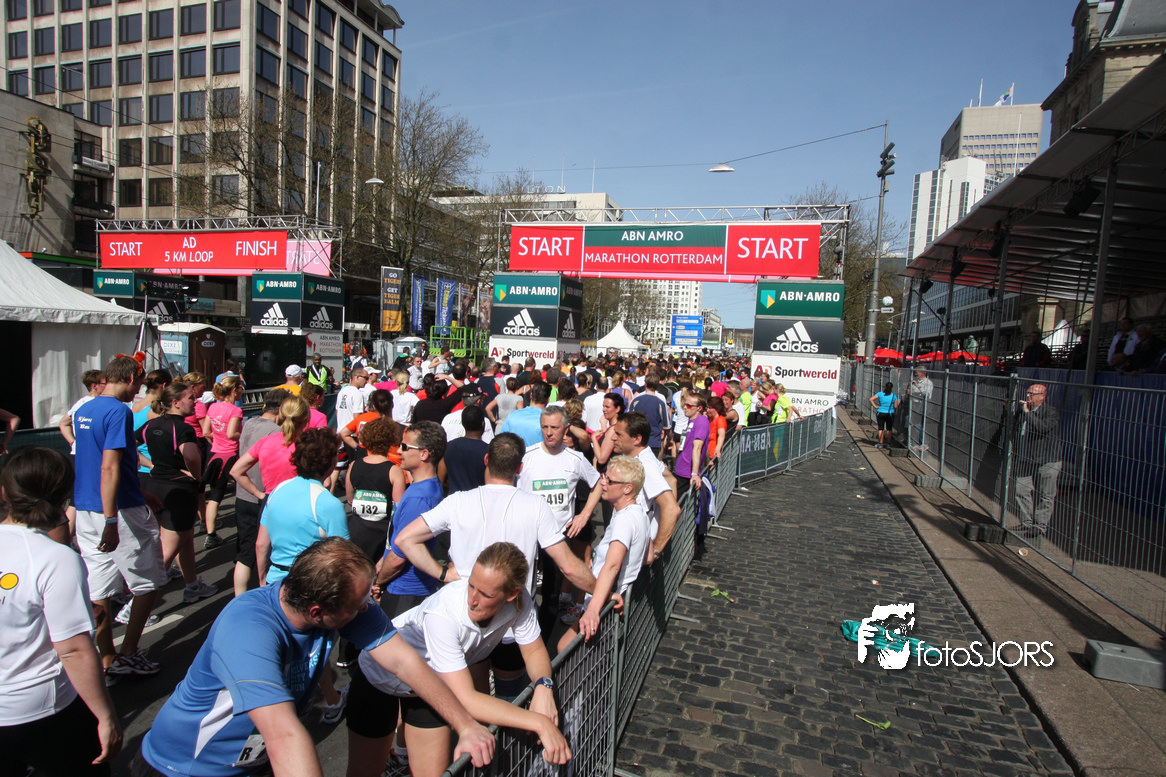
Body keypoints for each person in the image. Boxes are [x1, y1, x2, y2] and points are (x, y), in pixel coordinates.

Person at [134, 538, 495, 777]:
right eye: (359, 604)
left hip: (252, 761)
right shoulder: (248, 630)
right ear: (319, 612)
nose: (369, 604)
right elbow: (284, 734)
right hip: (184, 766)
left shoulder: (345, 604)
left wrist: (465, 725)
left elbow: (405, 662)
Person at [348, 543, 570, 777]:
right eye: (471, 585)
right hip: (378, 678)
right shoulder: (443, 615)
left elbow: (533, 650)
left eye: (485, 594)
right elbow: (466, 699)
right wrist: (539, 723)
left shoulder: (520, 600)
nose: (472, 599)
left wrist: (544, 687)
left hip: (430, 687)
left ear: (512, 594)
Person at [0, 447, 123, 777]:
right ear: (64, 495)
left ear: (5, 492)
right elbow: (73, 650)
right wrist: (105, 716)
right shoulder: (55, 558)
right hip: (42, 710)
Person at [73, 354, 167, 678]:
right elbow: (110, 467)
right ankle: (128, 652)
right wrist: (112, 519)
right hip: (118, 510)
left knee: (98, 587)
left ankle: (107, 658)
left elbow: (103, 461)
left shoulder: (84, 409)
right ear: (129, 379)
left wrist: (139, 491)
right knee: (147, 583)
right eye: (138, 383)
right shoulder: (118, 411)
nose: (138, 390)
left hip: (86, 508)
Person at [138, 381, 218, 606]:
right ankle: (134, 604)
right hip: (178, 490)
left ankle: (192, 585)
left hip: (155, 485)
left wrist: (152, 465)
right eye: (191, 398)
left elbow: (129, 446)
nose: (195, 401)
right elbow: (191, 456)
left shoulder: (151, 424)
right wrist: (197, 476)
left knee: (185, 539)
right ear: (176, 402)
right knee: (168, 550)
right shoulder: (183, 429)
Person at [558, 455, 649, 651]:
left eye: (610, 481)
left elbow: (613, 565)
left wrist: (593, 610)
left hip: (603, 607)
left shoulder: (624, 519)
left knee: (564, 650)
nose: (603, 483)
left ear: (627, 488)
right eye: (604, 477)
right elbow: (648, 555)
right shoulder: (638, 513)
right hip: (608, 602)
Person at [375, 421, 446, 617]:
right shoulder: (426, 487)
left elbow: (398, 558)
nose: (399, 451)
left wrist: (379, 582)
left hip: (404, 592)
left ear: (424, 454)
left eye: (405, 447)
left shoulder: (419, 499)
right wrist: (383, 559)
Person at [230, 389, 287, 596]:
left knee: (245, 553)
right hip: (262, 494)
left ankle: (239, 598)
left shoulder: (250, 423)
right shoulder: (276, 432)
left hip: (242, 493)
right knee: (266, 550)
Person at [608, 412, 681, 566]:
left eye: (619, 434)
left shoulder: (644, 465)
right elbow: (671, 480)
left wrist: (656, 550)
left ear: (637, 439)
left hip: (635, 553)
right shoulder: (644, 457)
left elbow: (672, 508)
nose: (613, 438)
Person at [345, 418, 406, 564]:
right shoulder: (394, 471)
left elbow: (350, 499)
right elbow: (398, 508)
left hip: (357, 530)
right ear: (391, 440)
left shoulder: (353, 465)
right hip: (382, 533)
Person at [230, 395, 312, 502]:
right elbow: (325, 482)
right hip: (300, 502)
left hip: (271, 502)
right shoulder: (308, 446)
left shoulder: (265, 441)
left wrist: (259, 495)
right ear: (306, 419)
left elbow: (236, 471)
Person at [1013, 384, 1062, 537]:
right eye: (1028, 393)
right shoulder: (1023, 411)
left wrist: (1028, 413)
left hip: (1047, 459)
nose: (1028, 396)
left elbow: (1042, 428)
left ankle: (1039, 526)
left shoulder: (1050, 412)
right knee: (1021, 489)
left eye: (1032, 394)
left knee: (1046, 494)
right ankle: (1026, 522)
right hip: (1026, 457)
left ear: (1042, 397)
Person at [203, 375, 245, 550]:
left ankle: (210, 534)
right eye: (241, 388)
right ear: (234, 390)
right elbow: (231, 433)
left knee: (215, 495)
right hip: (232, 454)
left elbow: (206, 431)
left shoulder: (213, 407)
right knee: (245, 491)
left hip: (215, 454)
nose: (242, 391)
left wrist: (216, 441)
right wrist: (246, 434)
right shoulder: (235, 410)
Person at [439, 405, 489, 494]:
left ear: (463, 424)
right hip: (479, 499)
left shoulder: (448, 447)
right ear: (483, 424)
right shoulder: (489, 451)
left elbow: (440, 481)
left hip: (454, 499)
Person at [626, 372, 671, 458]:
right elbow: (666, 425)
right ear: (657, 385)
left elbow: (628, 420)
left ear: (645, 384)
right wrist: (669, 437)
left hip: (637, 440)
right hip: (654, 441)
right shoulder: (660, 402)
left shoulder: (636, 400)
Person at [673, 393, 708, 503]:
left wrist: (694, 473)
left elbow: (698, 447)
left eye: (688, 405)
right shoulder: (691, 421)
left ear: (699, 408)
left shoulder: (701, 421)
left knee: (680, 505)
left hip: (687, 472)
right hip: (681, 469)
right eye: (684, 404)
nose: (684, 407)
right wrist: (708, 460)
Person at [499, 381, 550, 446]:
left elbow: (501, 440)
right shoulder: (548, 421)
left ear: (531, 395)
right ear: (548, 399)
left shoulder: (513, 415)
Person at [336, 368, 371, 433]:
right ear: (357, 377)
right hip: (351, 433)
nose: (367, 381)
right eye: (366, 378)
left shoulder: (342, 392)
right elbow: (357, 418)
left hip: (340, 432)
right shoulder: (357, 393)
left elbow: (337, 411)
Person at [908, 370, 933, 453]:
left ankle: (924, 443)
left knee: (919, 424)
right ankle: (918, 442)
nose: (916, 374)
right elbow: (912, 390)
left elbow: (926, 393)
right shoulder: (917, 381)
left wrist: (918, 387)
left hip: (922, 405)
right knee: (914, 423)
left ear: (922, 373)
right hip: (915, 404)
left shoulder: (928, 383)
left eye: (917, 372)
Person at [869, 382, 900, 450]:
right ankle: (889, 443)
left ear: (885, 387)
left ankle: (880, 443)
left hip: (881, 412)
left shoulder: (880, 394)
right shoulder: (894, 396)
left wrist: (875, 406)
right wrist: (898, 402)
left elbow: (871, 399)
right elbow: (896, 406)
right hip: (890, 413)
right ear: (892, 388)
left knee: (881, 428)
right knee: (889, 429)